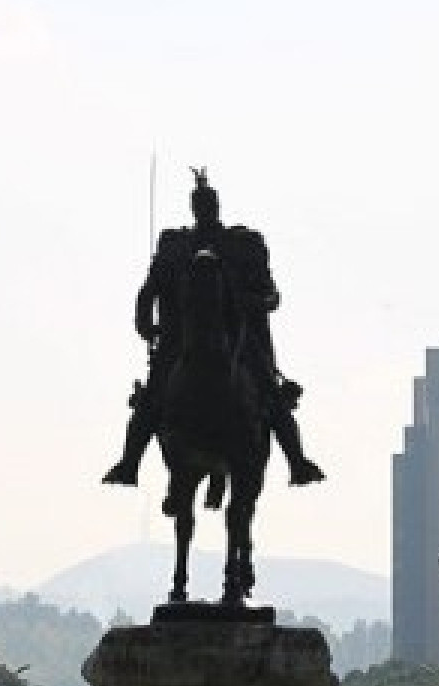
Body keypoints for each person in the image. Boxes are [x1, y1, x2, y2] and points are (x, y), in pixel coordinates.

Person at [102, 167, 324, 487]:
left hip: (239, 338)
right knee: (152, 399)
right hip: (180, 338)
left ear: (216, 206)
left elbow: (271, 294)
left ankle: (298, 462)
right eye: (200, 205)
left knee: (270, 396)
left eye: (209, 204)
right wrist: (145, 324)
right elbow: (148, 291)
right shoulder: (173, 245)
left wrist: (254, 303)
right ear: (194, 208)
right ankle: (128, 463)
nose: (205, 210)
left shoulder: (243, 243)